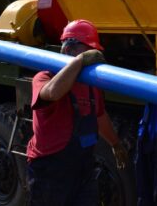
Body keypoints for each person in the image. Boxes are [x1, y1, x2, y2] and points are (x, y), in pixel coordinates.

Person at [26, 19, 128, 206]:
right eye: (88, 50)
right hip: (50, 173)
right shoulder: (45, 77)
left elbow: (99, 116)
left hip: (82, 170)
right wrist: (80, 62)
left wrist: (115, 144)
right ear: (68, 50)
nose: (94, 56)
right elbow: (53, 93)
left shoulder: (90, 85)